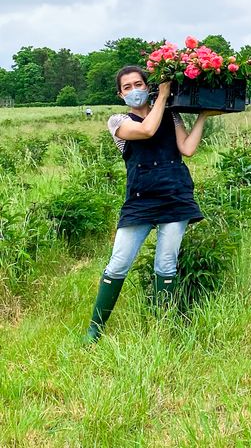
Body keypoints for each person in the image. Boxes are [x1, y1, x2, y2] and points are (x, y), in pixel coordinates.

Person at [83, 66, 219, 343]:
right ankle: (94, 330)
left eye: (138, 84)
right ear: (120, 94)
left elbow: (187, 149)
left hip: (175, 195)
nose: (134, 90)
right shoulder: (118, 121)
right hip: (140, 200)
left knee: (166, 265)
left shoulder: (171, 115)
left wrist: (203, 116)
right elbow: (146, 130)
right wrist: (163, 96)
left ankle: (162, 328)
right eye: (127, 87)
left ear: (148, 86)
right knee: (118, 264)